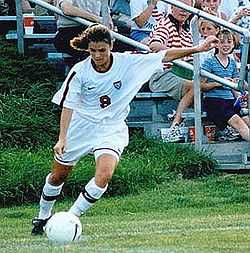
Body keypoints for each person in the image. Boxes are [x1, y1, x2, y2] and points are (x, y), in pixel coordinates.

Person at [31, 24, 219, 235]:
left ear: (111, 46)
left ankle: (70, 219)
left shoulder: (128, 62)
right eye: (93, 51)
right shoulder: (80, 71)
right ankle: (42, 217)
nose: (97, 55)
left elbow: (163, 55)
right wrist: (62, 138)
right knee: (58, 177)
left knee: (104, 175)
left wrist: (198, 48)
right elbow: (68, 106)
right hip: (81, 126)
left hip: (111, 128)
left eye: (102, 50)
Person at [201, 29, 250, 141]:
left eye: (229, 42)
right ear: (216, 44)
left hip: (230, 101)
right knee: (239, 123)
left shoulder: (232, 63)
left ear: (233, 44)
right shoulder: (209, 62)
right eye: (222, 42)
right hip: (215, 101)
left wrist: (238, 83)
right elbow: (200, 86)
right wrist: (218, 82)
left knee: (247, 120)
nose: (226, 45)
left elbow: (238, 85)